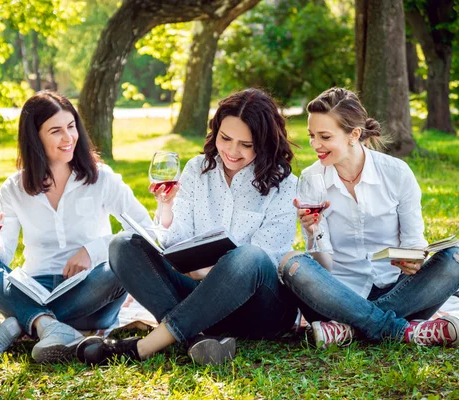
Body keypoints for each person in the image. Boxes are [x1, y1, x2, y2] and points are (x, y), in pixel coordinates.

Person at [77, 88, 299, 365]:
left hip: (260, 310)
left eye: (246, 144)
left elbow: (269, 259)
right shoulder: (198, 170)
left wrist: (207, 273)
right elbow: (176, 240)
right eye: (225, 138)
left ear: (263, 143)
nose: (232, 151)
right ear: (215, 131)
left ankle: (145, 346)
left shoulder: (285, 184)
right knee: (123, 244)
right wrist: (166, 207)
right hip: (200, 298)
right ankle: (199, 339)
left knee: (250, 256)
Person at [278, 87, 459, 348]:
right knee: (294, 265)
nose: (315, 145)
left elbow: (415, 242)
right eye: (312, 135)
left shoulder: (396, 173)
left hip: (398, 290)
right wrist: (314, 233)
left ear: (354, 135)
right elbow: (322, 266)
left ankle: (349, 329)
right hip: (336, 297)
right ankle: (402, 330)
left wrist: (413, 260)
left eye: (324, 136)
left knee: (458, 257)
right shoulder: (312, 180)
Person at [0, 91, 153, 363]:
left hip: (91, 293)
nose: (69, 138)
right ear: (35, 138)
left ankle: (19, 323)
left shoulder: (103, 179)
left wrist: (92, 250)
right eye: (56, 131)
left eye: (71, 126)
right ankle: (48, 326)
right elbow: (3, 256)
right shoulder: (14, 189)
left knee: (118, 268)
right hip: (35, 285)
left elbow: (145, 231)